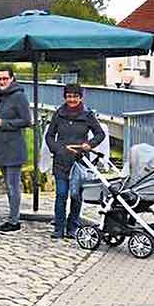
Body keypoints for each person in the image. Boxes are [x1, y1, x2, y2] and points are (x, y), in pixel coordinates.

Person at [45, 83, 105, 239]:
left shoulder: (87, 115)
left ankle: (72, 226)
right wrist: (58, 149)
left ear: (80, 97)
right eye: (69, 96)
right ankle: (59, 228)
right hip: (61, 161)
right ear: (65, 97)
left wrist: (89, 145)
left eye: (75, 96)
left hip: (80, 162)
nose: (72, 99)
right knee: (61, 194)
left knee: (76, 196)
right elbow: (49, 136)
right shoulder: (59, 114)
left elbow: (100, 134)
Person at [0, 66, 32, 234]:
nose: (2, 82)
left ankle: (14, 221)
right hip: (2, 147)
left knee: (13, 186)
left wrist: (2, 123)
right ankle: (12, 217)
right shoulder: (0, 95)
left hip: (14, 149)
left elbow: (26, 120)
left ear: (12, 79)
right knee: (8, 186)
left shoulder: (19, 96)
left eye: (5, 79)